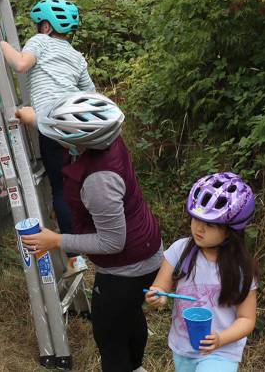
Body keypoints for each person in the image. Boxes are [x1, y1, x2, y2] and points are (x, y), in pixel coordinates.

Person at [20, 92, 163, 372]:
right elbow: (67, 129)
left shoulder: (99, 180)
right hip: (146, 249)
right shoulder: (106, 140)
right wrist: (33, 119)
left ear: (78, 142)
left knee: (109, 335)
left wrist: (57, 240)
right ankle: (136, 367)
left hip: (128, 267)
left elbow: (112, 241)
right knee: (128, 315)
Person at [3, 0, 94, 274]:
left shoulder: (39, 42)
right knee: (69, 187)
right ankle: (77, 252)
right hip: (74, 127)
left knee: (59, 190)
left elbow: (20, 64)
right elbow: (91, 96)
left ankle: (75, 256)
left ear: (44, 26)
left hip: (51, 124)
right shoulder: (77, 57)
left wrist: (0, 46)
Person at [146, 173, 258, 371]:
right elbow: (161, 285)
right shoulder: (180, 250)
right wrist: (158, 297)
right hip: (183, 347)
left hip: (222, 350)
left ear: (232, 230)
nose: (199, 228)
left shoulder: (241, 267)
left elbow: (247, 319)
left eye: (210, 224)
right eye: (196, 219)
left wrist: (221, 339)